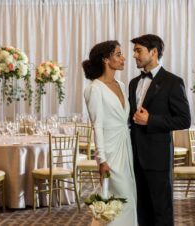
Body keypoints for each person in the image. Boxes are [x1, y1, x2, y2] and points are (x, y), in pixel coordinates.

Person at [129, 34, 191, 226]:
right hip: (134, 156)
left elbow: (184, 120)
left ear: (153, 52)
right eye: (134, 51)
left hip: (158, 158)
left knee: (161, 211)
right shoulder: (133, 83)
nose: (134, 55)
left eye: (138, 50)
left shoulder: (173, 82)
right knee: (141, 210)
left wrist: (151, 120)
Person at [83, 40, 138, 226]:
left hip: (126, 146)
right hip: (111, 151)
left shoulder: (121, 85)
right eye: (118, 54)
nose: (124, 58)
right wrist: (101, 159)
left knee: (130, 197)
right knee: (119, 199)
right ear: (106, 59)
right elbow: (97, 126)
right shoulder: (94, 88)